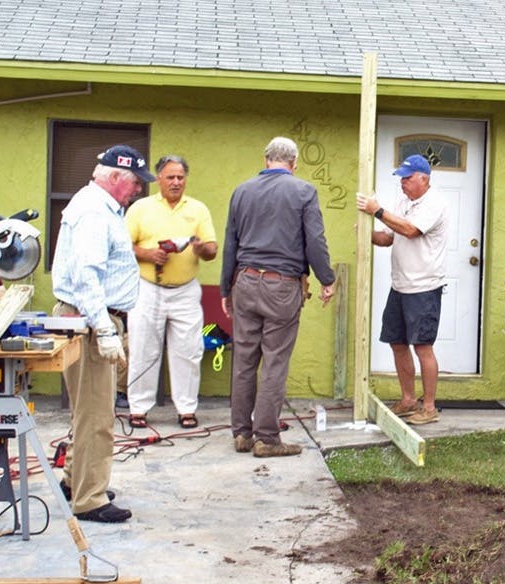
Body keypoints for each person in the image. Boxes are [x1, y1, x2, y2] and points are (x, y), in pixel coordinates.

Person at [52, 144, 155, 523]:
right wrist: (104, 328)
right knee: (97, 417)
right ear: (114, 177)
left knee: (89, 412)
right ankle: (89, 499)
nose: (139, 190)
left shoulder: (99, 206)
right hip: (92, 320)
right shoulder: (95, 211)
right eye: (134, 183)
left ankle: (75, 481)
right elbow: (87, 277)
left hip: (95, 319)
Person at [220, 137, 335, 458]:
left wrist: (225, 288)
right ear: (294, 162)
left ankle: (242, 434)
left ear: (266, 158)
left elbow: (231, 243)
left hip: (244, 281)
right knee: (274, 361)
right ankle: (267, 439)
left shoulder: (241, 191)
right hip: (281, 285)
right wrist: (326, 278)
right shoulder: (303, 191)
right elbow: (315, 240)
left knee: (244, 359)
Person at [125, 155, 217, 429]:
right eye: (170, 177)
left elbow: (212, 249)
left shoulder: (198, 209)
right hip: (147, 287)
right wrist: (147, 253)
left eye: (180, 177)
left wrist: (201, 248)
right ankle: (138, 408)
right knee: (143, 348)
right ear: (159, 179)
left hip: (185, 289)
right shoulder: (141, 208)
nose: (176, 182)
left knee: (188, 350)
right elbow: (121, 247)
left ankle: (186, 409)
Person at [356, 154, 449, 425]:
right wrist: (367, 233)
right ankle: (409, 399)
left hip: (424, 286)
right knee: (397, 342)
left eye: (408, 178)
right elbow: (389, 238)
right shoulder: (403, 202)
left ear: (424, 178)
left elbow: (410, 231)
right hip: (400, 285)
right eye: (401, 178)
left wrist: (377, 211)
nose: (403, 183)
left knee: (422, 346)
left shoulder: (435, 203)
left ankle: (429, 407)